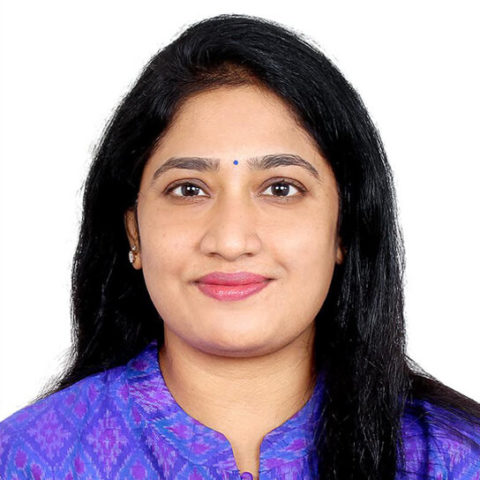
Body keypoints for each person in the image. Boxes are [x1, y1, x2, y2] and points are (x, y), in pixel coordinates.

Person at [1, 13, 479, 480]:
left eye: (280, 188)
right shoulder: (29, 461)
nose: (230, 241)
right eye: (189, 189)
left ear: (344, 229)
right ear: (134, 232)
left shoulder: (453, 459)